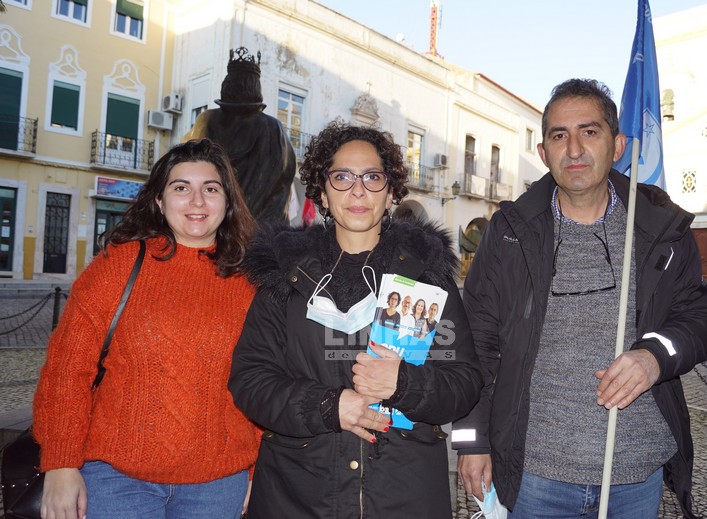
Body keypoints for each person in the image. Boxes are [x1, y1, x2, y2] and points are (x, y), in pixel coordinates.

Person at [453, 79, 707, 519]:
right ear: (544, 153)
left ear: (618, 145)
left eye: (589, 132)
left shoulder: (660, 228)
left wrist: (655, 357)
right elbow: (476, 340)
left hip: (635, 475)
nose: (574, 149)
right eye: (560, 136)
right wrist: (472, 441)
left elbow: (702, 320)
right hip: (533, 475)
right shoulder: (509, 233)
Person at [228, 121, 482, 518]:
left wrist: (405, 384)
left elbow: (463, 383)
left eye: (372, 177)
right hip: (299, 496)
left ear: (391, 192)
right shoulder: (284, 277)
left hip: (402, 496)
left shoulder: (426, 277)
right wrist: (328, 406)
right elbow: (251, 380)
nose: (358, 190)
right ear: (322, 193)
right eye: (343, 177)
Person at [32, 139, 261, 519]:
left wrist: (258, 470)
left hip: (219, 482)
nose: (197, 201)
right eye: (181, 188)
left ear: (228, 201)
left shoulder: (252, 281)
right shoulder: (118, 266)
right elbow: (67, 368)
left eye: (211, 189)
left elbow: (262, 379)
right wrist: (61, 463)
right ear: (159, 200)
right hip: (115, 478)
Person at [184, 47, 296, 223]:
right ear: (256, 87)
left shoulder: (207, 120)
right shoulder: (273, 127)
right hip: (262, 230)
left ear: (226, 85)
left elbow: (186, 165)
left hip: (218, 226)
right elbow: (283, 183)